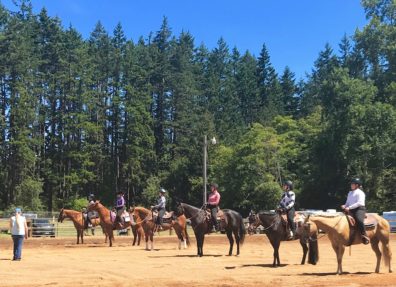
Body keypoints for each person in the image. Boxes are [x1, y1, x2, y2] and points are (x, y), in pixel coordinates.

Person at [341, 177, 370, 245]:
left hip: (359, 209)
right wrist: (345, 206)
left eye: (352, 184)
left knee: (359, 220)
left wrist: (349, 207)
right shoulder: (350, 193)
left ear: (357, 185)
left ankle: (364, 235)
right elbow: (347, 202)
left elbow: (359, 203)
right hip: (350, 209)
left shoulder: (360, 193)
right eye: (351, 184)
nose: (351, 185)